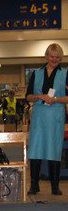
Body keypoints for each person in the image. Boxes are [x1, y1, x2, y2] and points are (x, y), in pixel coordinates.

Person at [25, 43, 68, 196]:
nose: (54, 59)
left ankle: (55, 187)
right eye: (51, 56)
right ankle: (34, 185)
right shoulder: (36, 73)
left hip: (56, 115)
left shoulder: (66, 73)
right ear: (46, 56)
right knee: (35, 149)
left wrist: (55, 99)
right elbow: (28, 96)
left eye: (57, 57)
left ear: (60, 58)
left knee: (54, 150)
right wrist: (38, 96)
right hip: (38, 115)